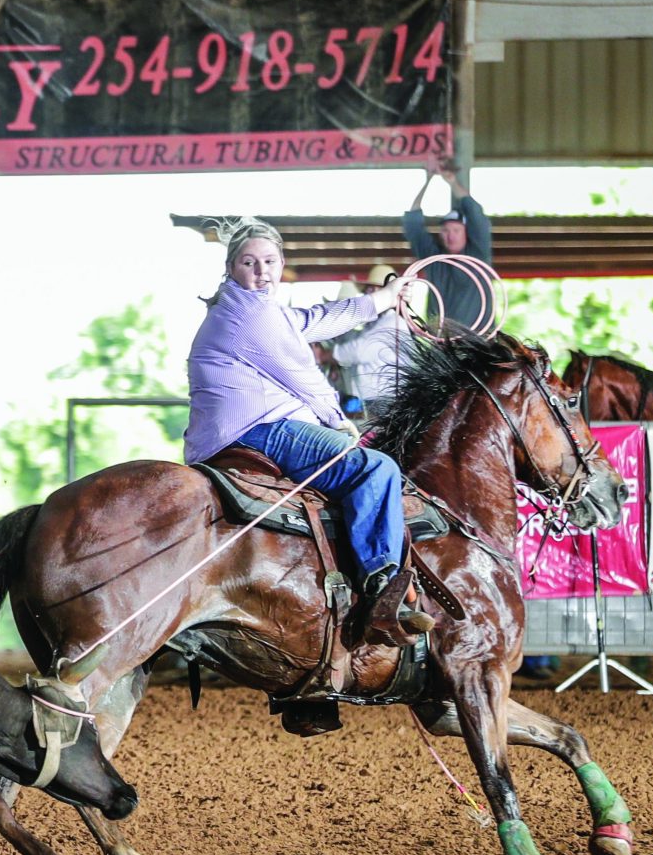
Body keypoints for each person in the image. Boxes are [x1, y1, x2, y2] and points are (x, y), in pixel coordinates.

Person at [184, 218, 435, 649]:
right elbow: (304, 376)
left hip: (239, 429)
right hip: (258, 430)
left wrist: (385, 300)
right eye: (249, 262)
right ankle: (381, 584)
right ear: (232, 268)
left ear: (281, 264)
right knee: (375, 468)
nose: (261, 271)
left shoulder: (249, 308)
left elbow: (315, 320)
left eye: (268, 261)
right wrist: (339, 420)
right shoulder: (254, 315)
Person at [403, 162, 497, 335]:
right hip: (441, 341)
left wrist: (452, 182)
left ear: (466, 233)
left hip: (480, 342)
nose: (450, 235)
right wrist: (428, 180)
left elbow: (476, 215)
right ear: (440, 234)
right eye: (445, 230)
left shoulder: (478, 254)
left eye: (456, 230)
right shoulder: (433, 257)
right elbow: (413, 223)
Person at [329, 262, 414, 419]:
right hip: (374, 401)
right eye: (370, 289)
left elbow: (358, 351)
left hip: (385, 401)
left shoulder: (392, 322)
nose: (372, 293)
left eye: (377, 289)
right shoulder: (376, 323)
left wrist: (326, 355)